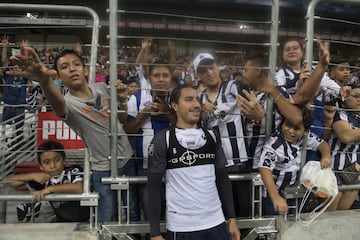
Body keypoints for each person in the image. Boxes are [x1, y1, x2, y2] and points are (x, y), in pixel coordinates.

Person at [10, 48, 133, 223]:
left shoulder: (101, 88)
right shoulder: (67, 103)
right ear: (59, 76)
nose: (72, 69)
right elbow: (57, 101)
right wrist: (44, 80)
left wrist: (121, 99)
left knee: (133, 213)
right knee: (107, 218)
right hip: (102, 166)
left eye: (76, 64)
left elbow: (120, 119)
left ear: (84, 69)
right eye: (65, 67)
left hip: (127, 159)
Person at [148, 85, 240, 240]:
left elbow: (223, 179)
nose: (196, 104)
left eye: (197, 99)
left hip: (216, 222)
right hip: (182, 227)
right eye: (189, 99)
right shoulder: (163, 139)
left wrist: (232, 218)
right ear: (175, 106)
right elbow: (153, 187)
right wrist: (155, 232)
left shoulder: (212, 136)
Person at [193, 52, 253, 218]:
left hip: (238, 160)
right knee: (222, 211)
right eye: (203, 71)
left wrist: (204, 109)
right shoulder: (199, 99)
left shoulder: (233, 86)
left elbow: (229, 109)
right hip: (214, 164)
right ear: (198, 75)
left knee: (242, 211)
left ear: (217, 67)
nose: (209, 73)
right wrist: (199, 109)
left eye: (211, 67)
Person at [258, 107, 331, 216]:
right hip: (273, 194)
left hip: (293, 191)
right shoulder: (275, 144)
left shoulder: (306, 138)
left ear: (305, 131)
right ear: (282, 124)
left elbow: (322, 144)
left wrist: (326, 156)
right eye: (288, 125)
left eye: (296, 128)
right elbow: (264, 168)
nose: (290, 131)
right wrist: (276, 197)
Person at [7, 141, 89, 222]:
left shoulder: (73, 170)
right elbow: (11, 182)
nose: (52, 166)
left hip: (86, 220)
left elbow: (79, 188)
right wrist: (32, 176)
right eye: (47, 162)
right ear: (41, 166)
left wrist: (49, 189)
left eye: (57, 160)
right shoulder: (43, 179)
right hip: (62, 222)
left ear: (64, 160)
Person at [327, 84, 360, 211]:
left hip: (354, 170)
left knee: (342, 214)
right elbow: (345, 136)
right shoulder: (340, 113)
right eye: (356, 96)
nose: (359, 100)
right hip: (335, 169)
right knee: (329, 216)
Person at [0, 35, 31, 145]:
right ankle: (5, 147)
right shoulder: (7, 76)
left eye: (17, 68)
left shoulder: (24, 78)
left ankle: (17, 148)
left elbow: (26, 64)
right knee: (4, 130)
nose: (15, 69)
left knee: (19, 131)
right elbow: (4, 62)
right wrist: (4, 46)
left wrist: (25, 50)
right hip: (8, 107)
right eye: (14, 68)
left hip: (19, 108)